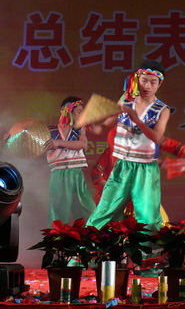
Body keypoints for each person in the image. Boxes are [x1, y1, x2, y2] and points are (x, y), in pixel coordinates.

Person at [87, 60, 170, 233]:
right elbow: (106, 125)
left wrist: (136, 120)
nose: (148, 86)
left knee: (148, 217)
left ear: (160, 84)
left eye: (153, 82)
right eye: (144, 80)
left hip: (146, 168)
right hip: (122, 165)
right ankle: (88, 248)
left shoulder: (162, 109)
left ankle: (148, 250)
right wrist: (93, 126)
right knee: (105, 211)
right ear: (138, 80)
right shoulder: (126, 101)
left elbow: (157, 137)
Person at [45, 97, 96, 225]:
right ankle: (57, 237)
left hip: (77, 174)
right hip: (59, 174)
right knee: (58, 212)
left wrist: (58, 143)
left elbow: (83, 144)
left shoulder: (79, 129)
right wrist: (12, 138)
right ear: (65, 111)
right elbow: (30, 141)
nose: (82, 115)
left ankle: (90, 236)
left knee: (89, 210)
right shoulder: (49, 131)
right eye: (79, 112)